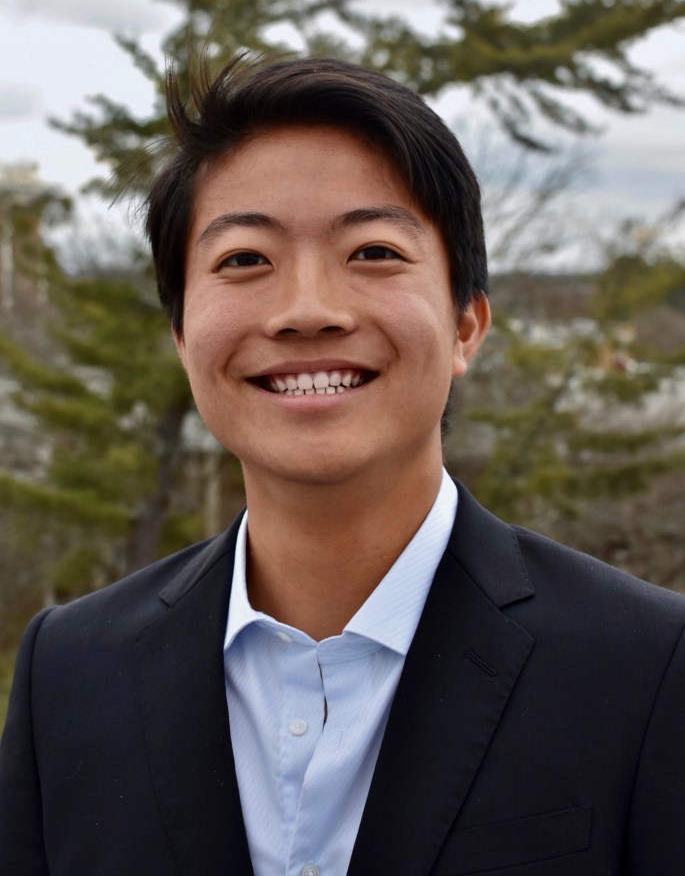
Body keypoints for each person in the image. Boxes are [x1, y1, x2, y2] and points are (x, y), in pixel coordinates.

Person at [1, 56, 684, 876]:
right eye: (244, 259)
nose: (306, 311)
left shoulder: (647, 667)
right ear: (181, 334)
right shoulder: (70, 673)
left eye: (372, 251)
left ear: (466, 325)